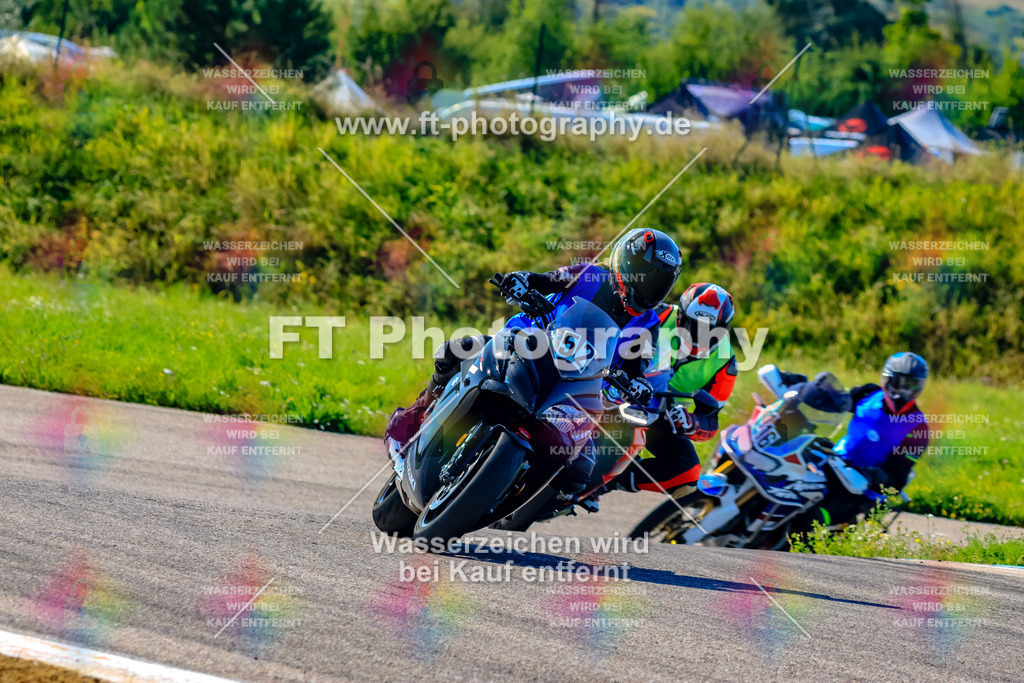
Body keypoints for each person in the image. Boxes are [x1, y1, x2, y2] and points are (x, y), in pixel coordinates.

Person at [384, 228, 683, 495]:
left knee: (578, 473)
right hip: (528, 346)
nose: (649, 287)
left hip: (578, 384)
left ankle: (510, 493)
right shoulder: (589, 275)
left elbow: (637, 366)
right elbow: (546, 280)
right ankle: (416, 414)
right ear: (625, 264)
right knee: (457, 349)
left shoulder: (648, 322)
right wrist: (520, 283)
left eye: (660, 282)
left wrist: (640, 385)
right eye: (646, 274)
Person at [599, 283, 738, 498]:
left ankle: (608, 483)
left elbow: (711, 420)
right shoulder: (657, 314)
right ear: (681, 316)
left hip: (661, 414)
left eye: (711, 330)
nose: (699, 336)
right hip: (616, 389)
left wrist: (691, 422)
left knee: (688, 472)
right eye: (694, 326)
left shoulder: (726, 362)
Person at [763, 352, 931, 529]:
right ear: (887, 379)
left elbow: (898, 475)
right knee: (784, 482)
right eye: (900, 383)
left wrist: (874, 476)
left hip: (859, 489)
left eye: (912, 385)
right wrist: (798, 386)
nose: (904, 391)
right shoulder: (870, 393)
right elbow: (836, 400)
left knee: (810, 519)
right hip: (835, 462)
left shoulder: (917, 428)